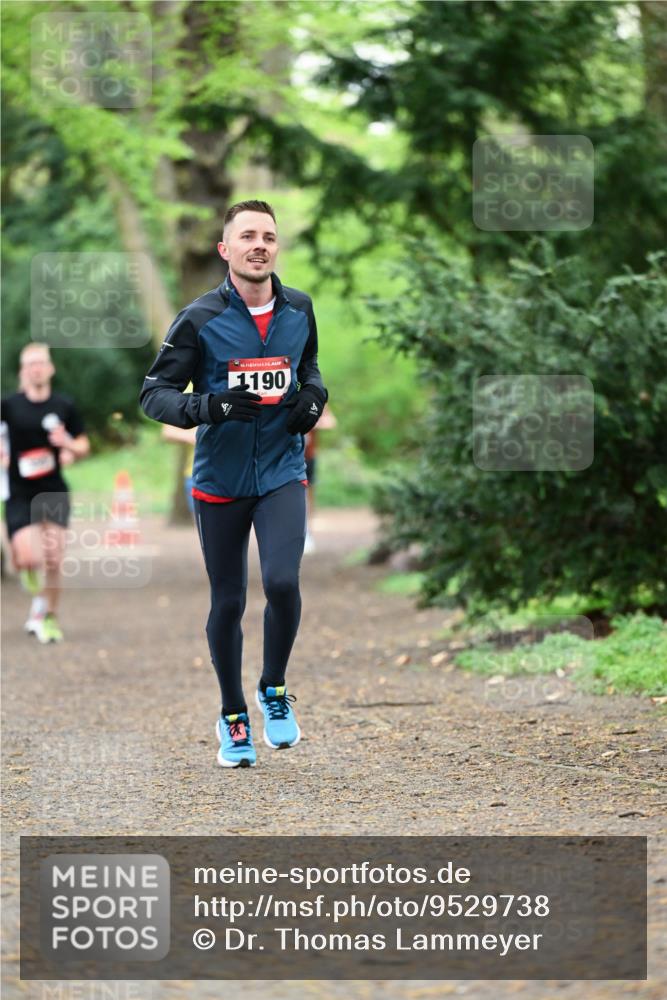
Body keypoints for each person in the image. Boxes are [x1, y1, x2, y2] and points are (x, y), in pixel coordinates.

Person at [140, 200, 328, 769]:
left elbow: (310, 370)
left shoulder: (300, 307)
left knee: (282, 582)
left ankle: (273, 688)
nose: (259, 244)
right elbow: (153, 395)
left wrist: (314, 399)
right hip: (219, 481)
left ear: (276, 248)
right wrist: (209, 405)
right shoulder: (198, 318)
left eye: (268, 236)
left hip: (281, 472)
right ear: (225, 250)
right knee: (228, 601)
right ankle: (232, 715)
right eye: (247, 235)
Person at [1, 343, 90, 642]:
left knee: (53, 559)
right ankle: (34, 588)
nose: (37, 368)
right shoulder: (9, 406)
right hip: (19, 491)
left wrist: (67, 446)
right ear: (23, 371)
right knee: (26, 557)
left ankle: (48, 616)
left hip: (53, 490)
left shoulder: (64, 406)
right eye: (31, 364)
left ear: (50, 368)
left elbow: (83, 446)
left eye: (41, 363)